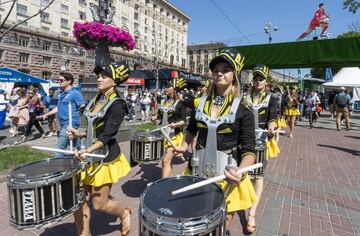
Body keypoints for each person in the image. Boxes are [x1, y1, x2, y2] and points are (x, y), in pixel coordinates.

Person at [174, 48, 257, 232]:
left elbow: (249, 148)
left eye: (225, 69)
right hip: (197, 169)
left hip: (226, 175)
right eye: (216, 69)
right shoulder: (200, 102)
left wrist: (240, 171)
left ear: (234, 75)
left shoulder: (244, 109)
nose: (219, 72)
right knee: (194, 219)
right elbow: (192, 129)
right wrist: (183, 145)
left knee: (218, 226)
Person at [67, 62, 132, 236]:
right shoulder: (96, 99)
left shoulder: (118, 104)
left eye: (104, 76)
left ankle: (124, 213)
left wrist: (88, 149)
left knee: (99, 204)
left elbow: (107, 135)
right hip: (86, 155)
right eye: (99, 76)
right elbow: (92, 129)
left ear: (115, 82)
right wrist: (79, 134)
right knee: (78, 200)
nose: (99, 79)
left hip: (104, 157)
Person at [244, 65, 279, 233]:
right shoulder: (245, 97)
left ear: (266, 81)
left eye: (261, 79)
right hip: (244, 141)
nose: (258, 81)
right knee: (245, 175)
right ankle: (245, 200)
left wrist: (271, 127)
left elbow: (273, 116)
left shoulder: (272, 98)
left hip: (261, 142)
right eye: (256, 78)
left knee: (258, 176)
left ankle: (252, 213)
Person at [38, 72, 85, 157]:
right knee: (77, 145)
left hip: (70, 123)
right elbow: (58, 108)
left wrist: (77, 113)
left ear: (69, 81)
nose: (59, 81)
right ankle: (82, 156)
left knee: (59, 147)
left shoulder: (75, 93)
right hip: (62, 123)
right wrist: (47, 114)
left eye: (61, 80)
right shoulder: (62, 94)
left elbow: (82, 105)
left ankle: (58, 166)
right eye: (58, 80)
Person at [155, 77, 189, 178]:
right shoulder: (165, 102)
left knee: (166, 160)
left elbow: (184, 121)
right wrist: (155, 118)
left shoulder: (181, 103)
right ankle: (168, 181)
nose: (166, 89)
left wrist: (174, 125)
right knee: (165, 162)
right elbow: (160, 117)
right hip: (162, 135)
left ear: (174, 89)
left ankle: (163, 187)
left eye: (168, 86)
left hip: (173, 136)